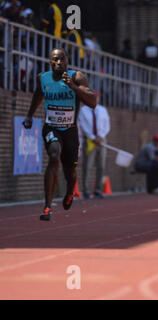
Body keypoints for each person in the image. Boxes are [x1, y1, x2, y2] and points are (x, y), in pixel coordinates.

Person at [22, 48, 97, 221]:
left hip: (70, 130)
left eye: (62, 59)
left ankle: (70, 191)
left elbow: (92, 101)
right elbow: (38, 96)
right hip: (51, 127)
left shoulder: (77, 76)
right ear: (50, 61)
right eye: (55, 59)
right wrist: (29, 115)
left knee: (70, 171)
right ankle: (47, 207)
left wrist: (72, 86)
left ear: (67, 61)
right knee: (54, 156)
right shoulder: (43, 78)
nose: (59, 62)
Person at [78, 91, 110, 199]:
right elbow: (83, 125)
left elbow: (107, 125)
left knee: (101, 165)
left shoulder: (103, 110)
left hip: (101, 140)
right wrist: (92, 137)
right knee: (88, 165)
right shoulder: (83, 110)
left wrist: (100, 136)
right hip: (90, 140)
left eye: (96, 98)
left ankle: (98, 189)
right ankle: (86, 190)